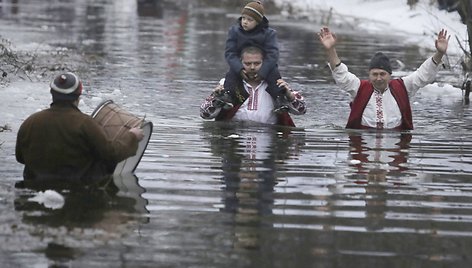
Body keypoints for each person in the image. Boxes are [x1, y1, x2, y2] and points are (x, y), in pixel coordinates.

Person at [15, 72, 144, 189]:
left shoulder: (29, 122)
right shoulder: (85, 123)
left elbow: (20, 158)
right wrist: (132, 136)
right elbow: (111, 154)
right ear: (78, 96)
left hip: (35, 188)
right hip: (78, 190)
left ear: (52, 94)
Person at [318, 26, 450, 130]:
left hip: (396, 145)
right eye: (375, 74)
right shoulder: (359, 87)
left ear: (390, 75)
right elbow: (341, 74)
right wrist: (331, 50)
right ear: (369, 75)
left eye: (382, 74)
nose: (379, 78)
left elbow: (423, 74)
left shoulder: (402, 87)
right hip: (362, 144)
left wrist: (439, 53)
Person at [200, 46, 306, 127]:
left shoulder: (276, 84)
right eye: (247, 63)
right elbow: (205, 115)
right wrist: (215, 97)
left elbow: (302, 110)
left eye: (256, 63)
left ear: (264, 63)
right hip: (232, 140)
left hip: (269, 138)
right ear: (240, 63)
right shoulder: (227, 84)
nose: (252, 67)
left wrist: (289, 95)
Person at [224, 1, 287, 112]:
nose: (245, 22)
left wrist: (263, 71)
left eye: (250, 20)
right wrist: (239, 68)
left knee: (275, 75)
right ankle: (227, 96)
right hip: (241, 64)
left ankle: (279, 99)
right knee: (231, 75)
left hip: (263, 65)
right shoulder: (234, 32)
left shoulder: (268, 33)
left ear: (258, 22)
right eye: (243, 18)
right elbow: (230, 53)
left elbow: (273, 54)